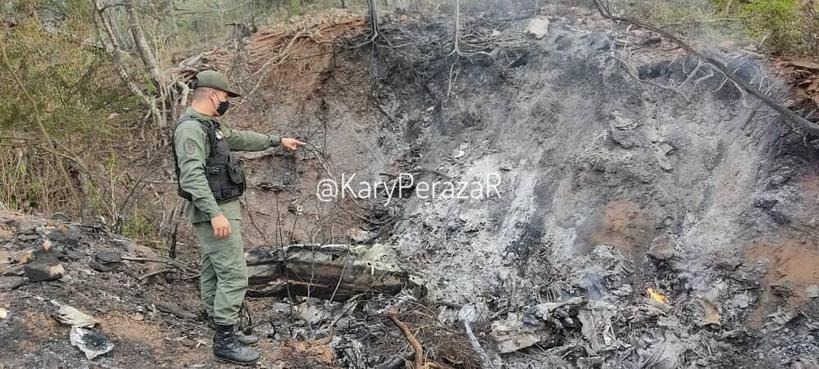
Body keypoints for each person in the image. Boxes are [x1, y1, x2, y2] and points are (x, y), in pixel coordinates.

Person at [172, 70, 303, 365]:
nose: (227, 101)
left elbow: (241, 138)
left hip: (221, 207)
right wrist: (216, 214)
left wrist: (277, 141)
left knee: (212, 269)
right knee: (233, 274)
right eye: (226, 97)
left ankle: (220, 324)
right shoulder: (190, 130)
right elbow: (191, 177)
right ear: (212, 94)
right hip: (214, 211)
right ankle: (224, 342)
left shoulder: (208, 126)